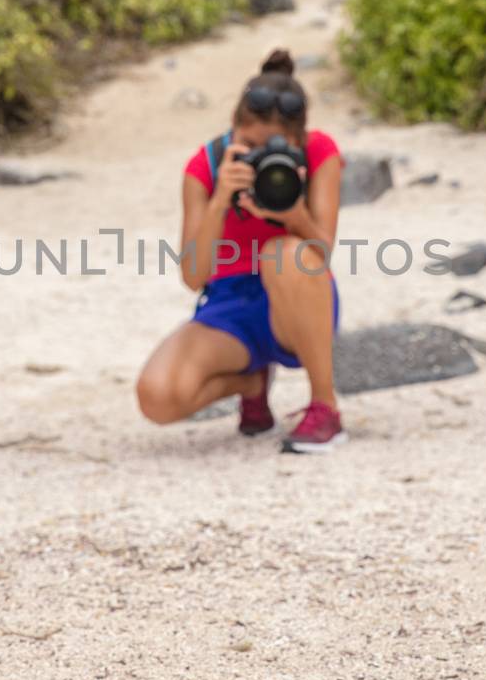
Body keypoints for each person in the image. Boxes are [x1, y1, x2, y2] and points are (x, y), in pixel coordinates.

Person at [136, 49, 346, 452]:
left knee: (286, 253)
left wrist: (293, 213)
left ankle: (325, 407)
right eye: (250, 145)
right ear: (233, 128)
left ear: (298, 141)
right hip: (231, 307)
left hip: (298, 299)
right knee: (158, 397)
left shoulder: (320, 154)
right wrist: (220, 201)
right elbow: (193, 277)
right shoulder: (206, 167)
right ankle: (251, 383)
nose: (261, 159)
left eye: (274, 149)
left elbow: (321, 250)